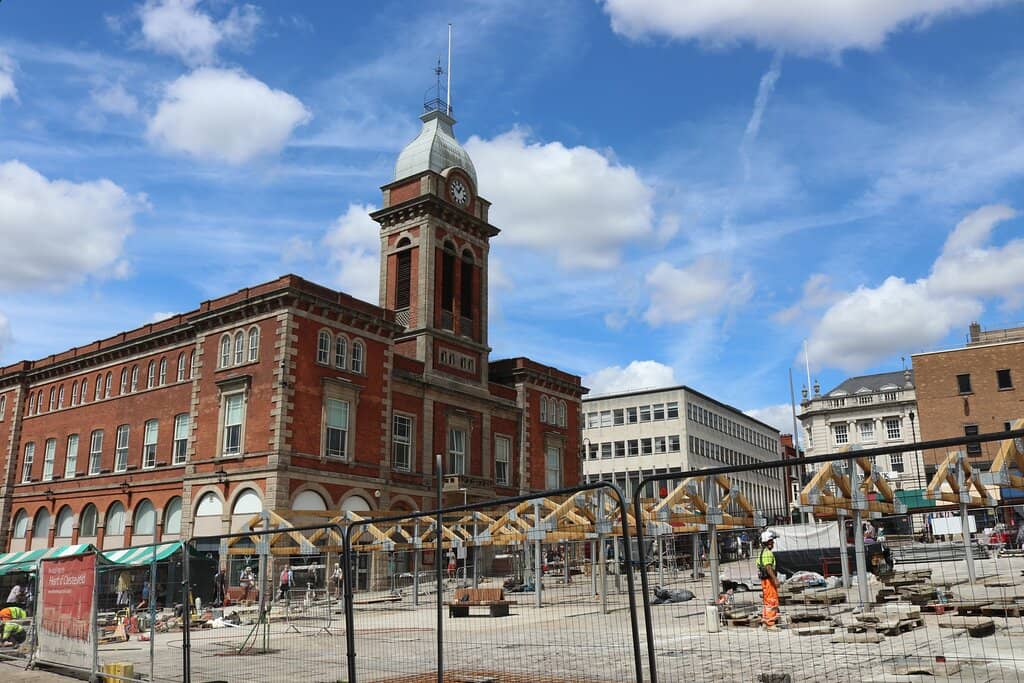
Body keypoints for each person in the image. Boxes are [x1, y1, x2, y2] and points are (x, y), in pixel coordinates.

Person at [757, 530, 780, 631]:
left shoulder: (762, 552)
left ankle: (766, 622)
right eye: (772, 541)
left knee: (767, 602)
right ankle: (770, 624)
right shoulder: (768, 553)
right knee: (772, 601)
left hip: (765, 581)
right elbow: (768, 567)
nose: (773, 543)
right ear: (767, 542)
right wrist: (775, 579)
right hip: (769, 581)